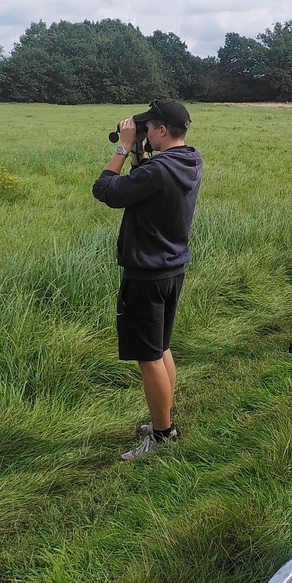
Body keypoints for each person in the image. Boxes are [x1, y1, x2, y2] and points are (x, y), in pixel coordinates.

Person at [92, 99, 203, 461]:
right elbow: (151, 181)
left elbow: (106, 191)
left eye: (148, 128)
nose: (144, 134)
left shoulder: (156, 170)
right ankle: (165, 418)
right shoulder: (189, 160)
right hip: (172, 269)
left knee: (149, 355)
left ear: (161, 130)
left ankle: (161, 435)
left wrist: (123, 148)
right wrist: (141, 155)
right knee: (161, 346)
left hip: (146, 273)